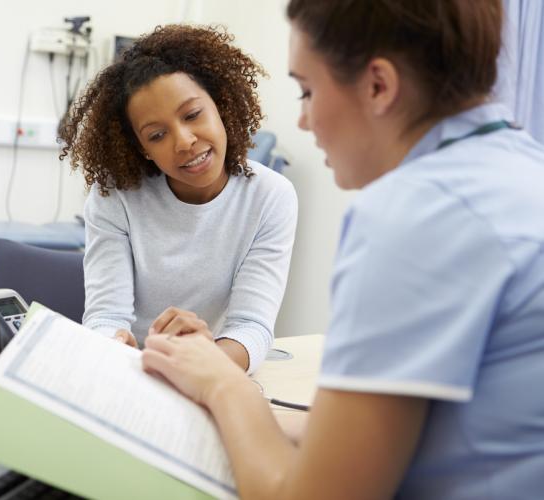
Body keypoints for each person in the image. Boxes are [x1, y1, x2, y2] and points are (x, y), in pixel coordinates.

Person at [141, 1, 544, 498]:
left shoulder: (414, 215)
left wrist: (223, 384)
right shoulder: (520, 166)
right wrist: (238, 411)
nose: (305, 121)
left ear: (378, 85)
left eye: (307, 90)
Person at [59, 25, 298, 373]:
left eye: (192, 115)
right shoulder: (114, 195)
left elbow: (252, 327)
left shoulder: (270, 197)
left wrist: (201, 362)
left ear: (220, 104)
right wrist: (111, 345)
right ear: (143, 149)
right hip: (131, 373)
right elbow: (105, 315)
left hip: (207, 369)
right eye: (157, 135)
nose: (184, 141)